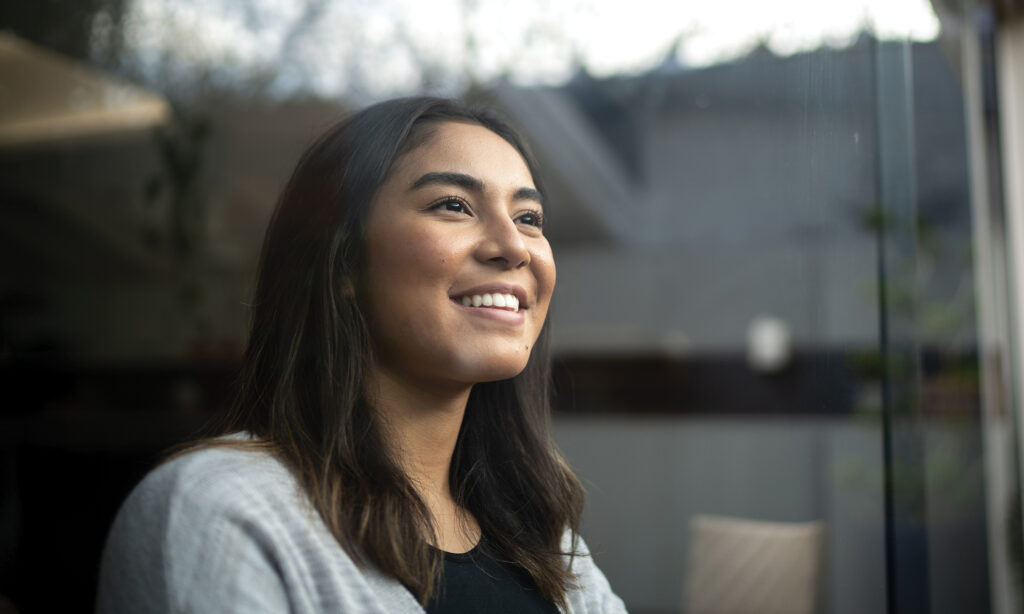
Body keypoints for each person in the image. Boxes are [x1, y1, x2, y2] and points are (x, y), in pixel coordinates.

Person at [96, 97, 627, 613]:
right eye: (453, 205)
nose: (514, 246)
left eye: (529, 217)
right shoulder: (218, 510)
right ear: (345, 261)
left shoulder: (547, 543)